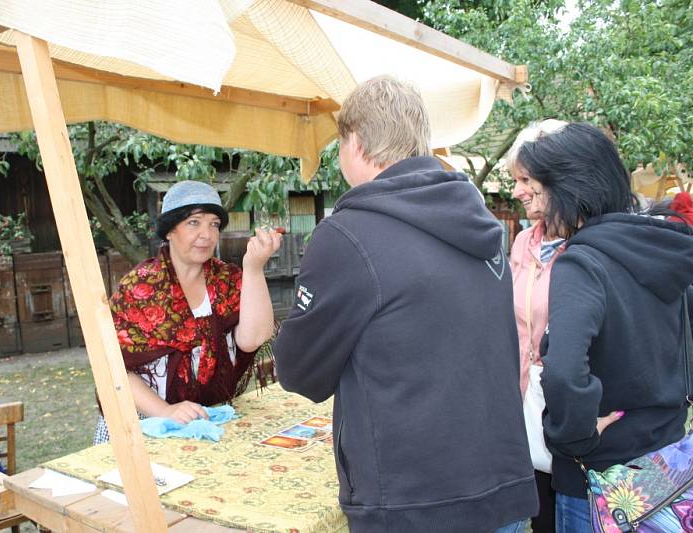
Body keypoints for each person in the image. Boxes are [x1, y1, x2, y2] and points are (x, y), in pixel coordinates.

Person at [273, 75, 538, 533]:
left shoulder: (348, 236)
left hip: (413, 504)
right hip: (501, 489)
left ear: (353, 142)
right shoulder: (482, 222)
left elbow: (300, 373)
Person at [518, 122, 693, 531]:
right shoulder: (659, 245)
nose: (536, 204)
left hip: (597, 478)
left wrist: (575, 436)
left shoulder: (582, 261)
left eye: (540, 190)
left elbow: (562, 370)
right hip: (663, 459)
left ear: (570, 191)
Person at [93, 180, 281, 444]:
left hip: (203, 420)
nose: (206, 234)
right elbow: (113, 368)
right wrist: (166, 411)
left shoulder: (227, 280)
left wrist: (253, 269)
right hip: (142, 424)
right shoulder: (140, 289)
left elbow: (253, 338)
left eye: (214, 224)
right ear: (169, 230)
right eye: (194, 222)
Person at [508, 119, 568, 533]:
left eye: (526, 179)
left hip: (575, 420)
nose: (516, 190)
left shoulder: (591, 246)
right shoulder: (522, 243)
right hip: (527, 412)